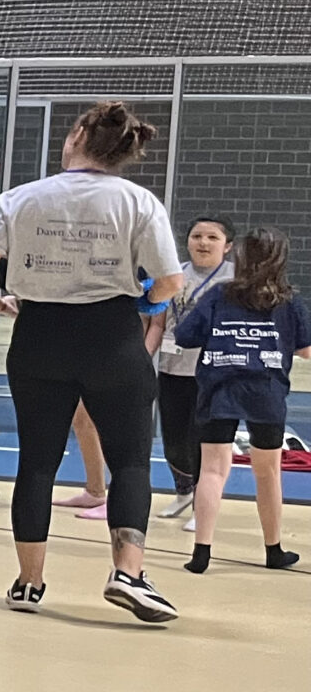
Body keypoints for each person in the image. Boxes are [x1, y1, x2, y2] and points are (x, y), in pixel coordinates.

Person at [0, 102, 183, 621]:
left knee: (37, 461)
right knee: (129, 459)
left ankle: (28, 582)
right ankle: (129, 574)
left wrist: (2, 304)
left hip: (38, 336)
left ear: (80, 134)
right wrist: (146, 300)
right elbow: (171, 283)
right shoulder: (137, 201)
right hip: (112, 337)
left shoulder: (19, 199)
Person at [174, 227, 311, 572]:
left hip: (219, 389)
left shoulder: (219, 295)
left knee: (212, 471)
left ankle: (201, 553)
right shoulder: (289, 300)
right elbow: (307, 349)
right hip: (266, 391)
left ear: (240, 256)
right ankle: (273, 550)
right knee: (268, 473)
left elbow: (185, 335)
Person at [149, 215, 234, 525]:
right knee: (173, 437)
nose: (203, 242)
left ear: (228, 246)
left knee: (203, 439)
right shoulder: (174, 276)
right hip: (172, 367)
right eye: (197, 236)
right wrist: (145, 358)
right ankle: (183, 492)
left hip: (212, 374)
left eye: (212, 238)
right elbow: (159, 322)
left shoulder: (233, 282)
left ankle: (203, 504)